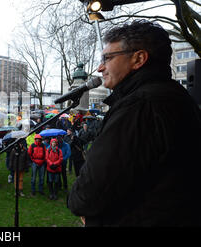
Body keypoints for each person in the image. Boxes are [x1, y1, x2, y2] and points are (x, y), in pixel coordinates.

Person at [68, 20, 201, 226]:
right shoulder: (174, 96)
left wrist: (79, 204)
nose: (100, 67)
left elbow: (93, 189)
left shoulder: (139, 105)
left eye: (108, 58)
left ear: (138, 58)